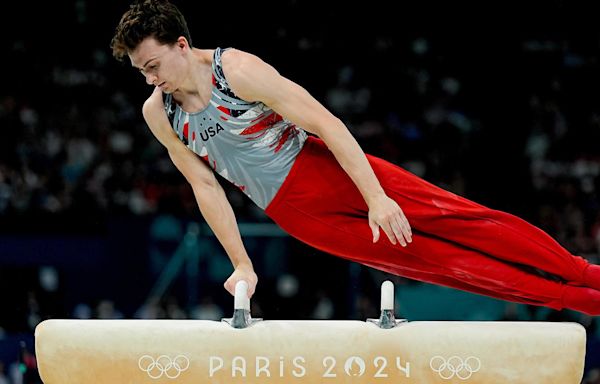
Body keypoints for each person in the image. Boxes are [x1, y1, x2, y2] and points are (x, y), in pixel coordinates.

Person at [110, 0, 600, 316]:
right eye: (141, 72)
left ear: (180, 44)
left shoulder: (236, 70)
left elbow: (327, 123)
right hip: (294, 213)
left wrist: (377, 198)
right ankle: (580, 301)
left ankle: (586, 275)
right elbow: (205, 187)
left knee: (464, 222)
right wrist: (243, 265)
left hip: (326, 168)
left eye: (153, 66)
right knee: (442, 265)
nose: (151, 79)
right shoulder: (160, 113)